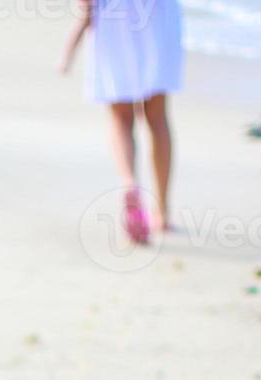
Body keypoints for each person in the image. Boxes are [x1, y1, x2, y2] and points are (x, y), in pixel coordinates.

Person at [62, 0, 184, 243]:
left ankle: (130, 181)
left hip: (113, 22)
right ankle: (161, 209)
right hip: (156, 19)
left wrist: (72, 44)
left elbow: (87, 5)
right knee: (158, 119)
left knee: (120, 119)